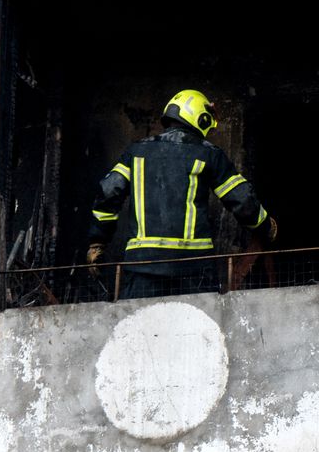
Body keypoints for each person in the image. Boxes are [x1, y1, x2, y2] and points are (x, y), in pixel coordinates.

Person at [86, 89, 277, 299]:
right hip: (193, 268)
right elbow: (242, 200)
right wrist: (266, 226)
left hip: (141, 266)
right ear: (200, 117)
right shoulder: (210, 155)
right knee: (198, 329)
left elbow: (108, 193)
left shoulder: (135, 152)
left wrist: (98, 241)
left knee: (139, 328)